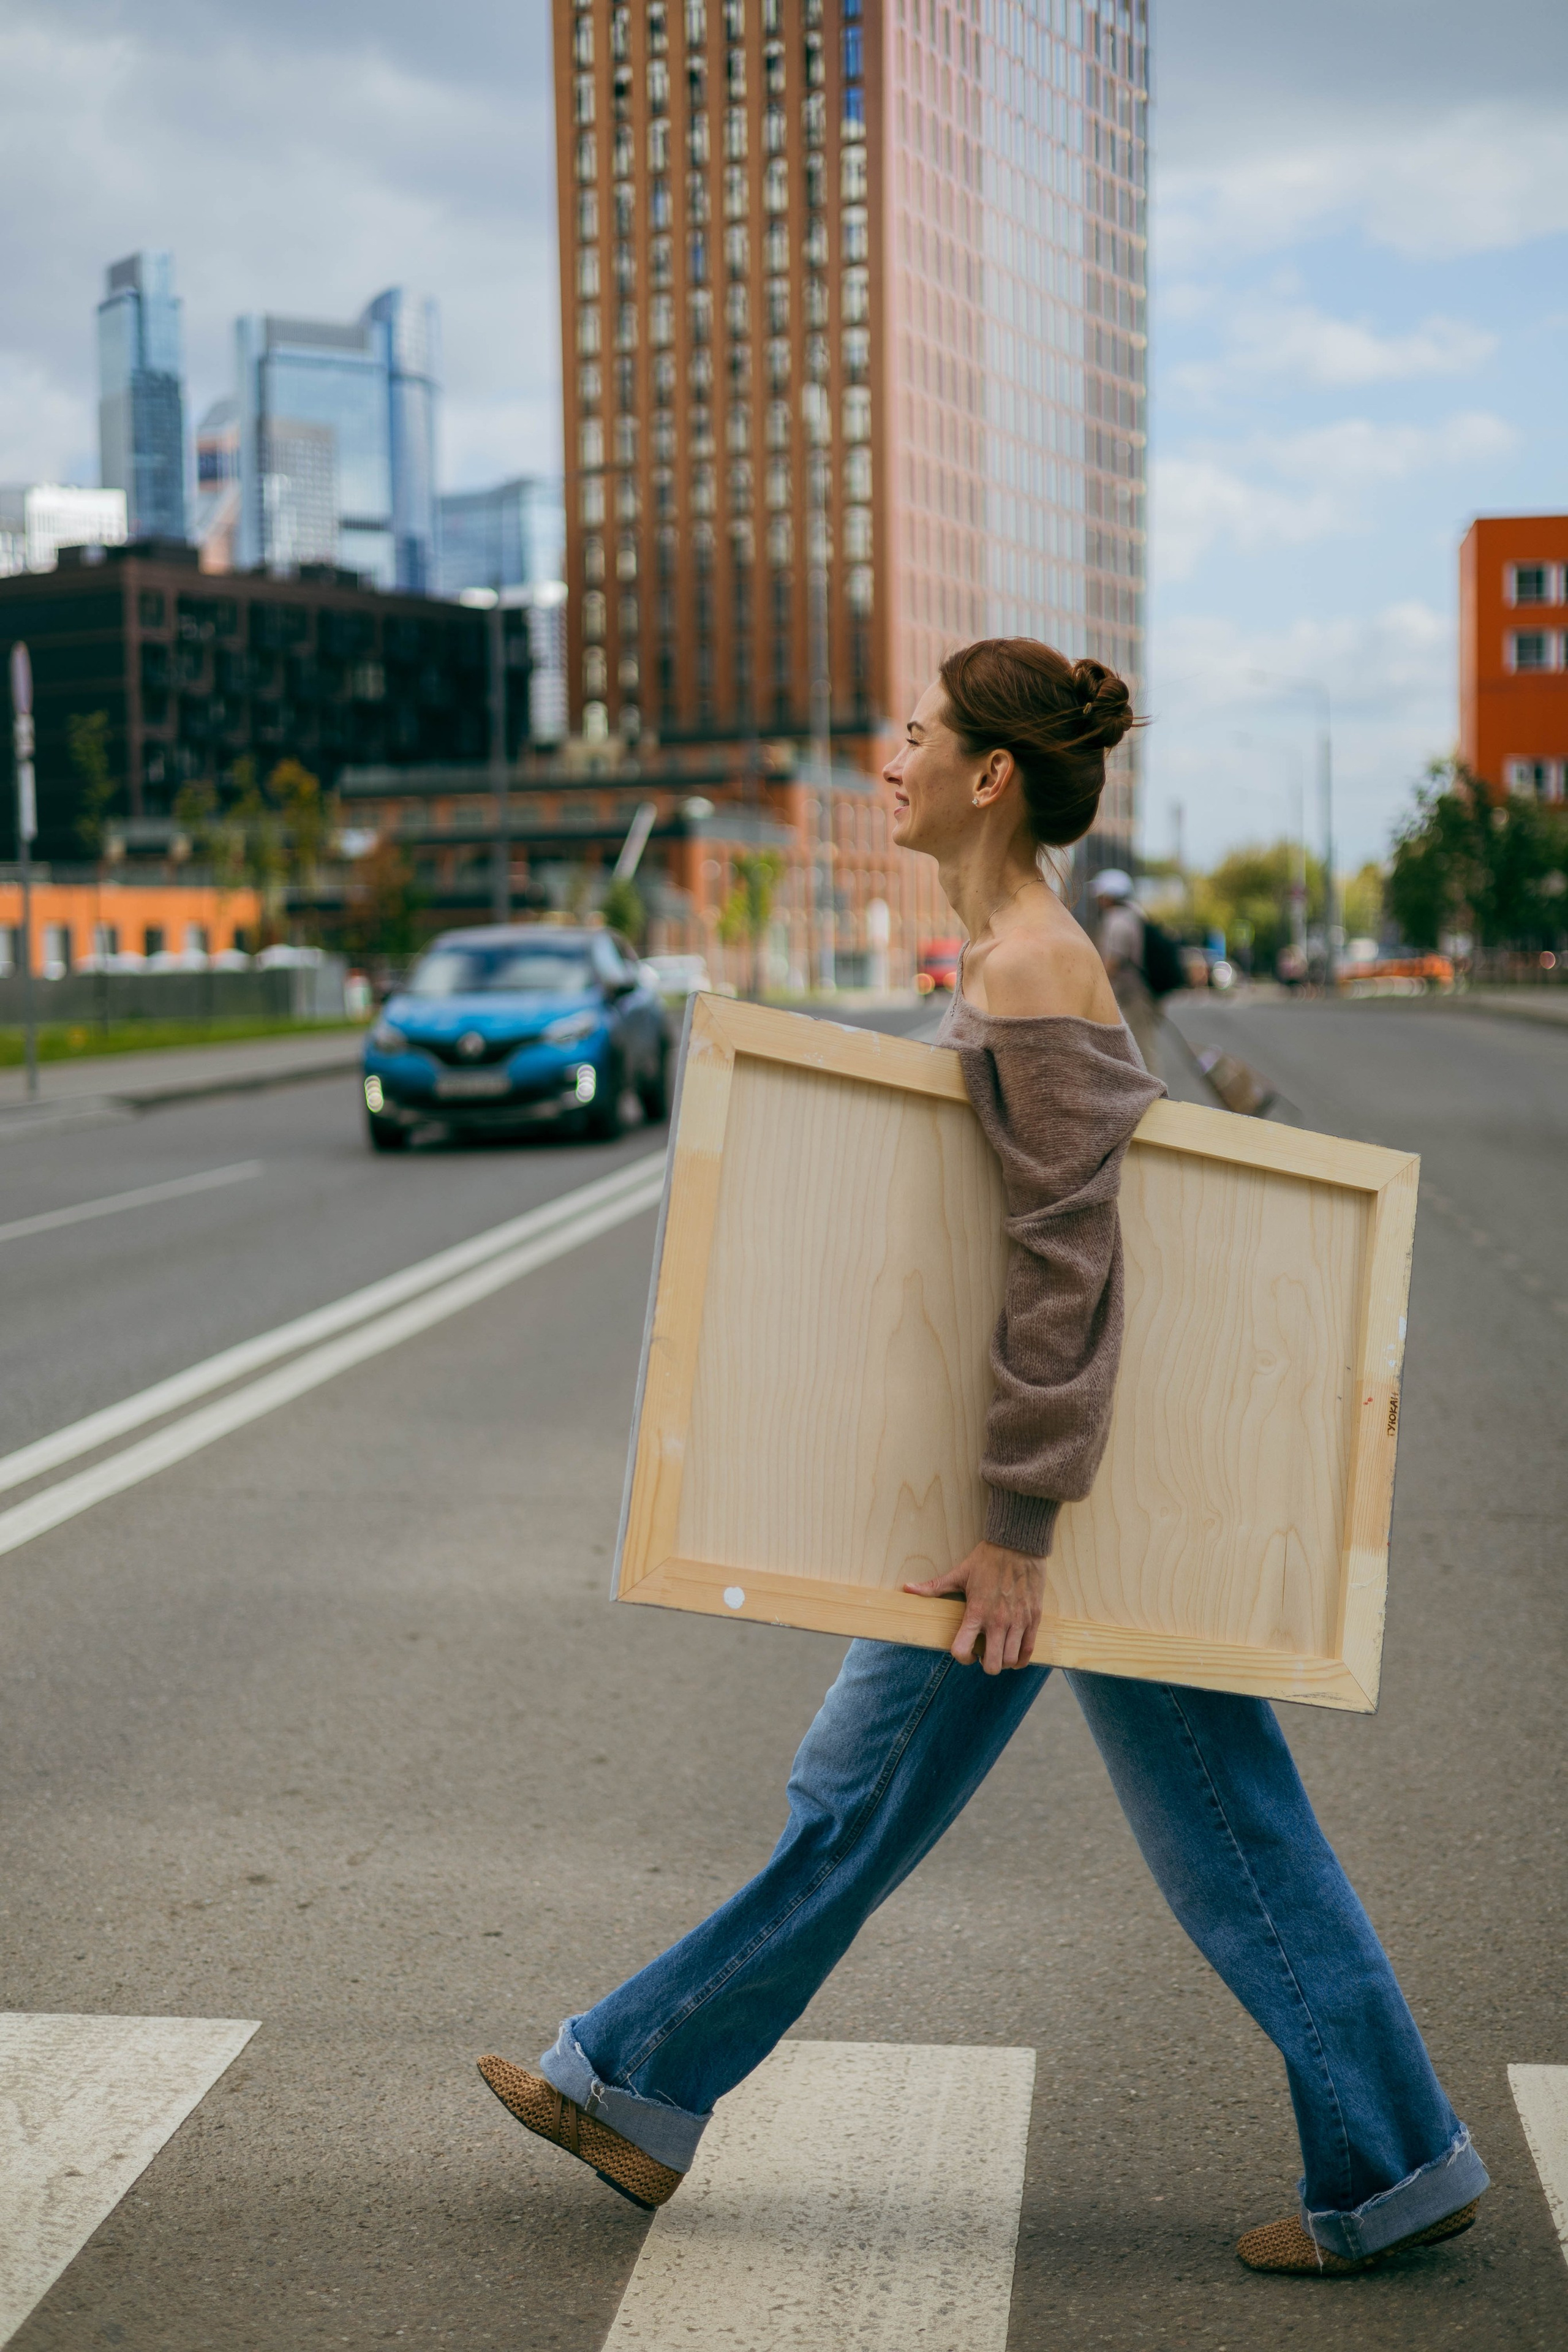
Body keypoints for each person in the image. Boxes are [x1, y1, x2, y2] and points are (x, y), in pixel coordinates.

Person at [477, 640, 1487, 2277]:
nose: (895, 756)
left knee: (865, 1799)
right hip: (1075, 1486)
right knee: (1191, 1822)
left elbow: (1064, 1259)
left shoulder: (1030, 965)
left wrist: (1016, 1524)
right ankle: (1392, 2161)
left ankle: (639, 2082)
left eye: (921, 734)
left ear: (990, 775)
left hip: (1045, 1505)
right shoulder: (1011, 950)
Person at [1093, 866, 1163, 1074]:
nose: (1098, 900)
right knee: (1139, 1046)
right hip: (1139, 993)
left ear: (1110, 896)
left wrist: (1094, 988)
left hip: (1132, 996)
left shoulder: (1118, 921)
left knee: (1141, 1049)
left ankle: (1156, 1101)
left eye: (1101, 894)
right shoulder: (1134, 916)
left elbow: (1113, 961)